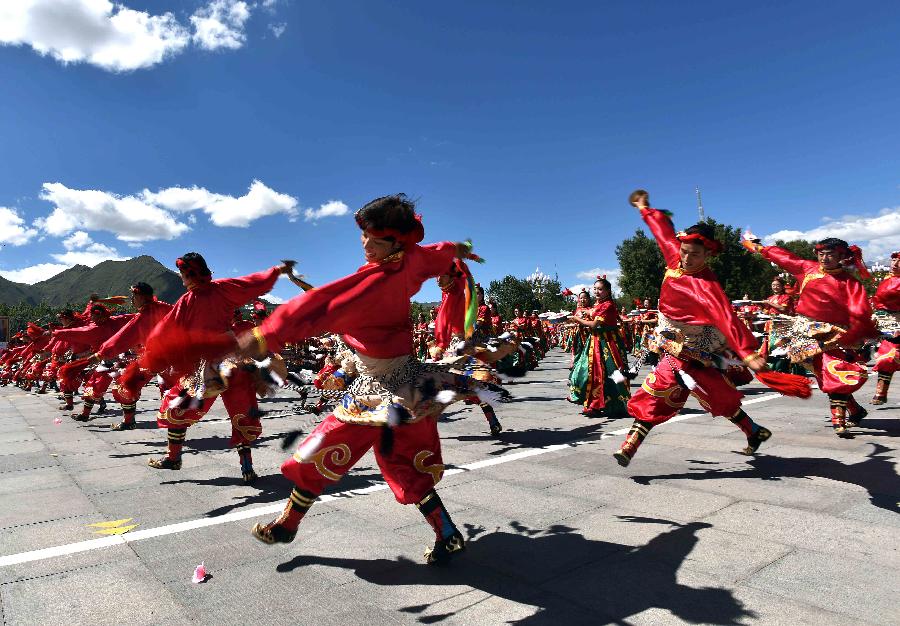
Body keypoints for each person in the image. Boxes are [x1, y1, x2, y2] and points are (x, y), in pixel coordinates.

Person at [235, 194, 488, 565]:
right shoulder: (414, 258)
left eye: (374, 239)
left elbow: (319, 305)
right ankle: (446, 533)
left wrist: (264, 334)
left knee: (316, 452)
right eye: (364, 237)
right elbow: (440, 251)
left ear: (397, 242)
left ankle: (288, 524)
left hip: (379, 390)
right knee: (400, 465)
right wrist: (461, 249)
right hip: (406, 384)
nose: (366, 245)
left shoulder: (375, 283)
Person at [614, 190, 802, 467]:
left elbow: (727, 317)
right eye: (685, 252)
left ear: (708, 255)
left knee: (698, 393)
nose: (687, 259)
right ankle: (629, 447)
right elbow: (661, 230)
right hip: (673, 342)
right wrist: (644, 207)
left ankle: (753, 431)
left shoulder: (707, 286)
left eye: (695, 255)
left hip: (700, 345)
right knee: (677, 391)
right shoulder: (674, 259)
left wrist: (749, 353)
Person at [135, 252, 289, 481]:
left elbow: (163, 331)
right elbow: (252, 282)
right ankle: (247, 469)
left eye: (182, 274)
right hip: (235, 362)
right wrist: (276, 271)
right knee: (242, 413)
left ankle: (173, 458)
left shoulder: (186, 301)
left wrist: (150, 356)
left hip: (208, 365)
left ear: (189, 274)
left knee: (177, 404)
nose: (181, 278)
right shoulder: (223, 288)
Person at [742, 233, 876, 435]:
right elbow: (783, 256)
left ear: (841, 256)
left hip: (836, 333)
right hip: (807, 330)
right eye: (821, 254)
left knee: (834, 370)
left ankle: (838, 419)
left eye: (829, 254)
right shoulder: (807, 269)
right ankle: (855, 410)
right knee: (823, 373)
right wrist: (758, 247)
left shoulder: (850, 282)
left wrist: (859, 329)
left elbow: (860, 309)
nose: (824, 258)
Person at [87, 283, 173, 430]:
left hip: (158, 358)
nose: (132, 299)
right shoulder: (164, 308)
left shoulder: (145, 315)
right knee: (171, 392)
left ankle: (130, 421)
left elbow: (124, 335)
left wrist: (101, 354)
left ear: (141, 296)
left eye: (134, 296)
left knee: (125, 385)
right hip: (171, 356)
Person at [569, 276, 630, 417]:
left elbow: (594, 325)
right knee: (590, 372)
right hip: (594, 341)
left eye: (600, 289)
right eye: (595, 289)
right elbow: (592, 314)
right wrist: (586, 313)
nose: (597, 291)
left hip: (608, 343)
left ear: (608, 291)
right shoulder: (598, 304)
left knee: (611, 373)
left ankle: (615, 404)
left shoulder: (608, 305)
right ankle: (593, 404)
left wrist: (576, 319)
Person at [870, 251, 900, 405]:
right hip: (885, 321)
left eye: (899, 261)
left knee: (890, 354)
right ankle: (881, 392)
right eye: (893, 259)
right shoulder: (887, 279)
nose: (894, 264)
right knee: (887, 355)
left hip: (897, 321)